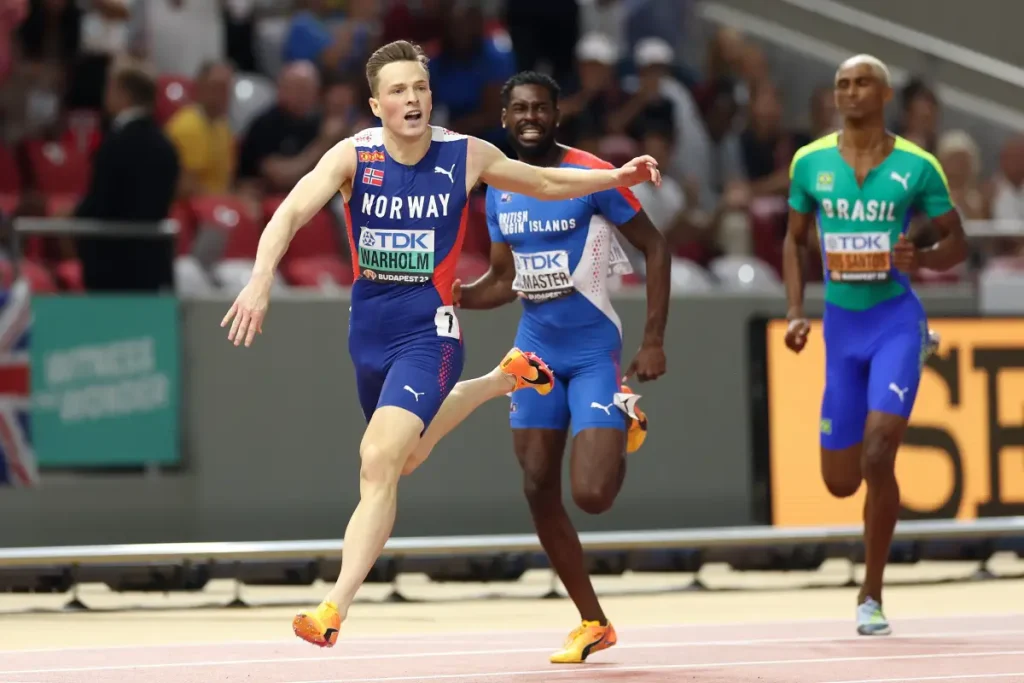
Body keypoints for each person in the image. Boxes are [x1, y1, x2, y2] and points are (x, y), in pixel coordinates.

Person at [219, 40, 661, 648]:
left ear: (431, 96)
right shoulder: (354, 157)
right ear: (376, 104)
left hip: (431, 331)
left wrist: (614, 175)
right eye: (398, 91)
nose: (412, 99)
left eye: (420, 88)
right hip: (368, 331)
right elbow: (290, 213)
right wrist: (261, 279)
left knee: (378, 460)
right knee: (406, 456)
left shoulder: (466, 155)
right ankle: (502, 379)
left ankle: (332, 607)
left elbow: (543, 181)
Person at [402, 71, 669, 664]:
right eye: (518, 109)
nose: (529, 118)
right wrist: (455, 294)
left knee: (593, 494)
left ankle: (622, 416)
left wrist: (652, 340)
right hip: (534, 351)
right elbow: (504, 279)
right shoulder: (498, 187)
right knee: (536, 484)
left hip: (593, 349)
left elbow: (656, 246)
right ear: (503, 119)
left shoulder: (588, 174)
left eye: (540, 109)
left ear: (556, 115)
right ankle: (593, 621)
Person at [783, 54, 968, 636]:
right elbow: (793, 242)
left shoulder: (918, 166)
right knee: (841, 480)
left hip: (894, 321)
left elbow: (956, 244)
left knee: (879, 452)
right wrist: (794, 310)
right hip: (842, 329)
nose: (850, 91)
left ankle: (871, 593)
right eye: (841, 83)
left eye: (862, 82)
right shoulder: (809, 162)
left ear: (884, 94)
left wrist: (926, 258)